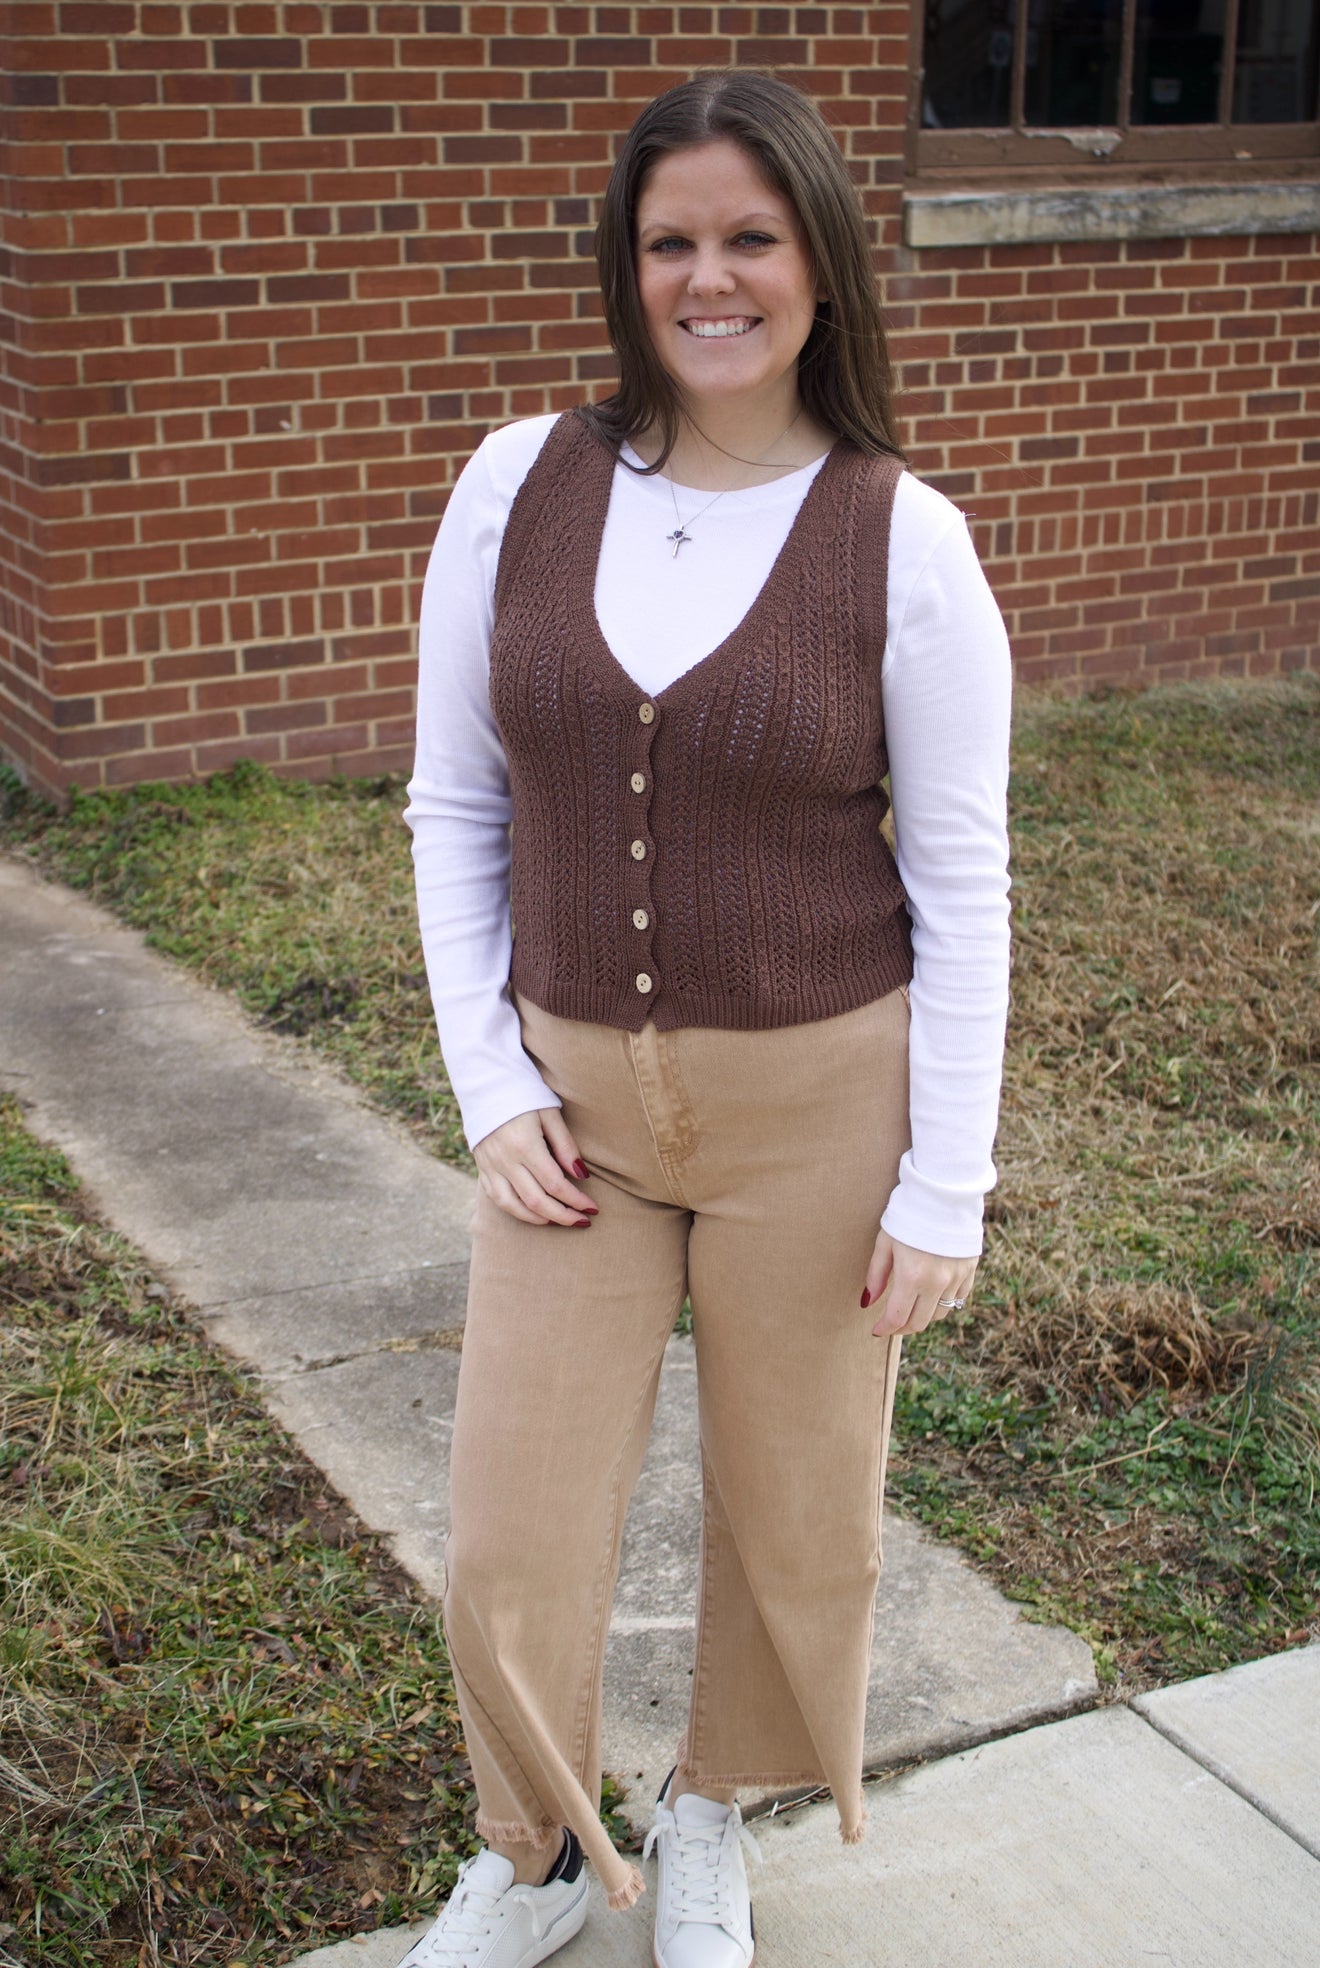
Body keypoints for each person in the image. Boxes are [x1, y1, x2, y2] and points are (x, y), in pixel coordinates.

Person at [400, 66, 1011, 1968]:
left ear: (822, 263)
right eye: (673, 241)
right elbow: (455, 802)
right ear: (627, 265)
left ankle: (714, 1809)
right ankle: (540, 1855)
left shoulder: (901, 538)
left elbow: (965, 877)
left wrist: (946, 1184)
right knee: (512, 1527)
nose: (711, 277)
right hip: (573, 1113)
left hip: (824, 1106)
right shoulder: (519, 483)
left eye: (751, 237)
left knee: (793, 1510)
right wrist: (490, 1081)